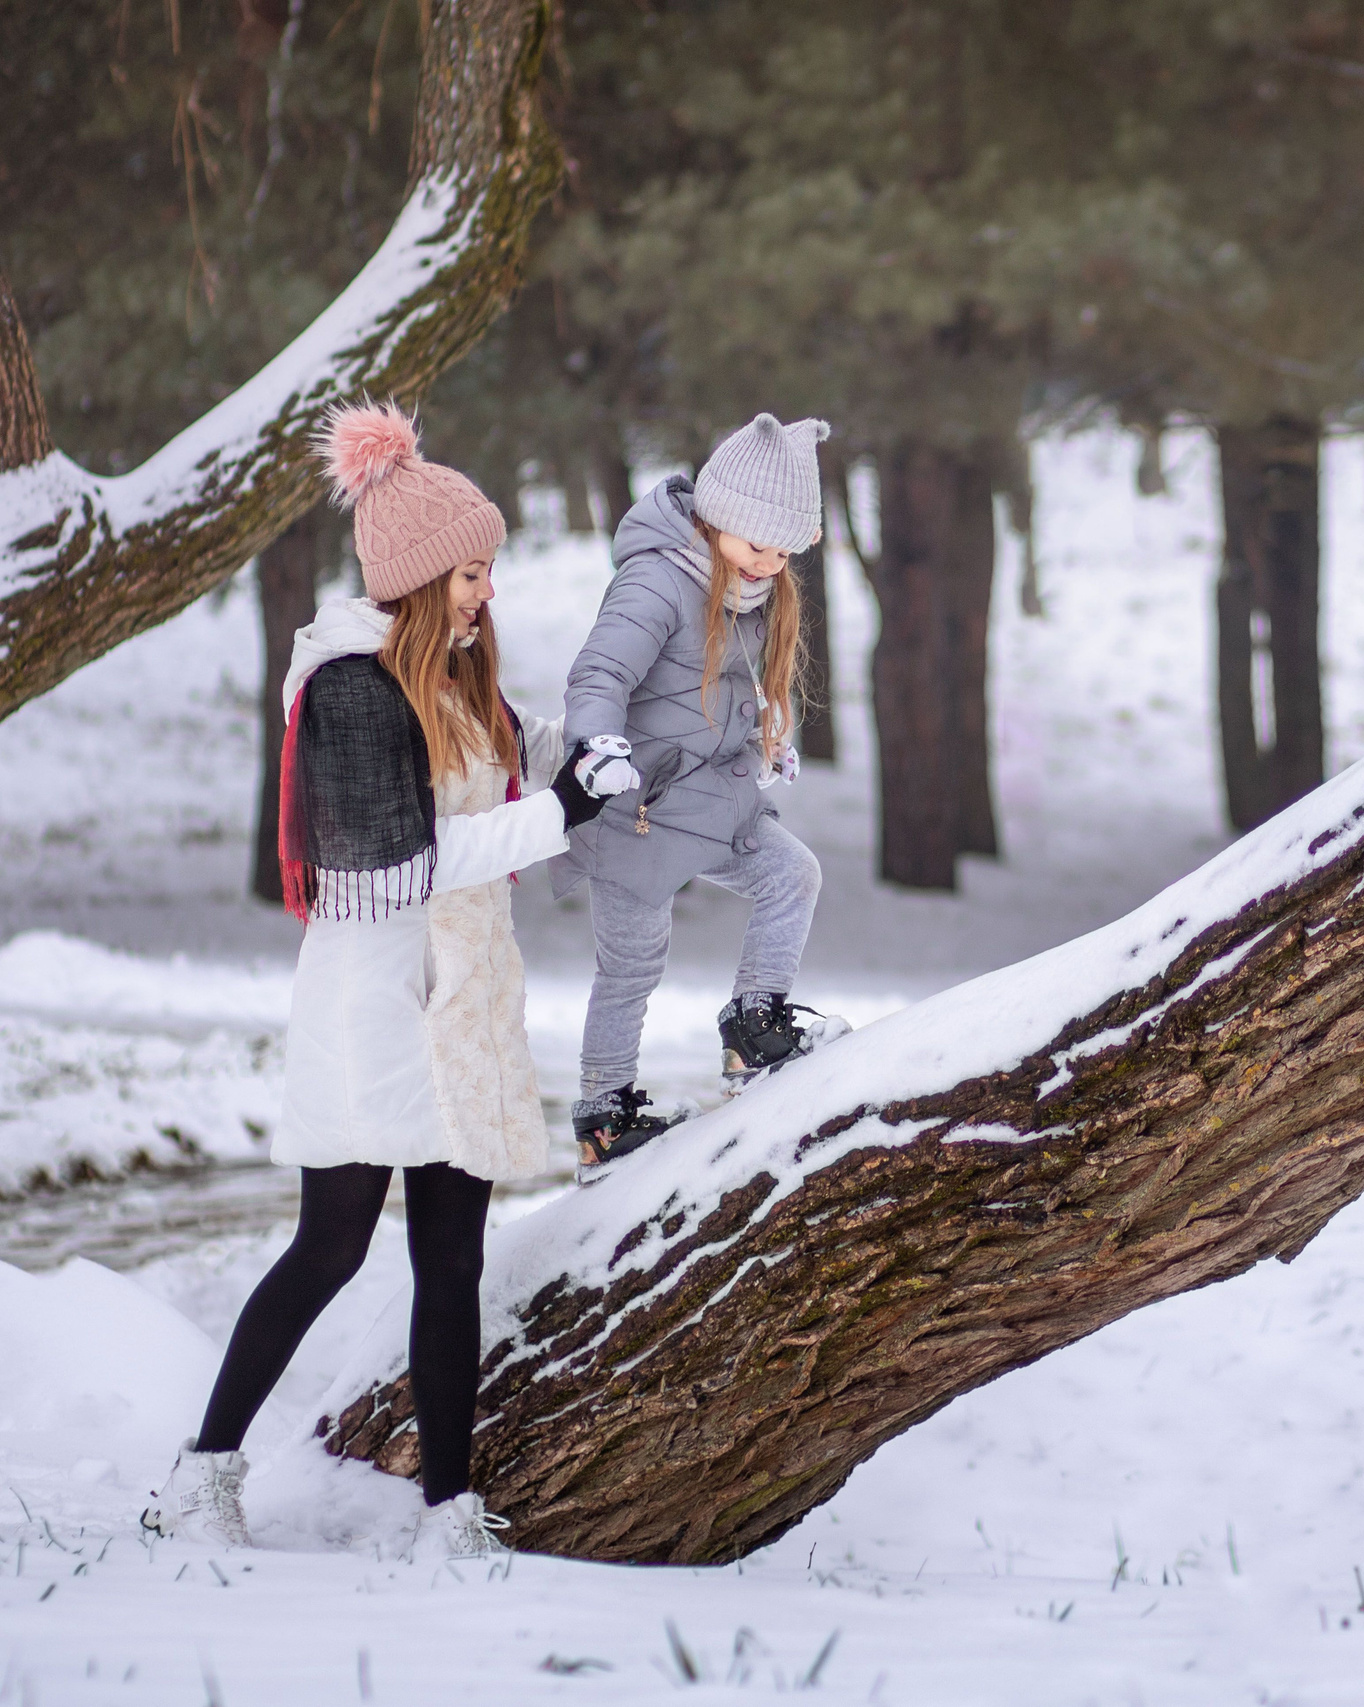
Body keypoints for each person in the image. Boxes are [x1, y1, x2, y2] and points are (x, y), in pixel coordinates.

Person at [141, 402, 634, 1558]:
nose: (486, 593)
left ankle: (447, 1514)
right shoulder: (354, 693)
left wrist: (580, 753)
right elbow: (404, 865)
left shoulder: (454, 672)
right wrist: (557, 817)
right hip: (374, 1008)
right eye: (469, 572)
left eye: (490, 569)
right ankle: (202, 1474)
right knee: (332, 1245)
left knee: (451, 1259)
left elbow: (501, 752)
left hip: (460, 1004)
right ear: (415, 577)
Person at [555, 413, 842, 1174]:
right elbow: (600, 673)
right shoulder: (655, 581)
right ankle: (603, 1114)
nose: (768, 565)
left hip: (711, 797)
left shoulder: (749, 592)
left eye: (784, 552)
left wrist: (763, 748)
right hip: (634, 806)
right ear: (717, 522)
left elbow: (725, 694)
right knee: (631, 965)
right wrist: (595, 743)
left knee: (793, 875)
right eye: (756, 545)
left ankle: (753, 1025)